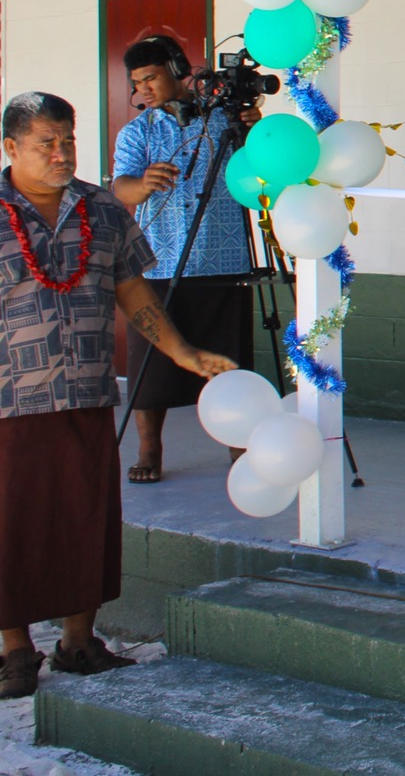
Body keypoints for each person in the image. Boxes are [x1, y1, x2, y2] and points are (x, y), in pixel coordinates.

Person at [0, 92, 237, 700]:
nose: (62, 153)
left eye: (68, 141)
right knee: (12, 523)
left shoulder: (102, 209)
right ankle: (15, 650)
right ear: (11, 148)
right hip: (9, 401)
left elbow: (134, 291)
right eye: (46, 143)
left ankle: (79, 642)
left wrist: (183, 353)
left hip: (87, 392)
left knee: (86, 517)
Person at [111, 36, 257, 484]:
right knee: (150, 367)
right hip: (160, 262)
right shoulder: (138, 132)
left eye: (150, 78)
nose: (143, 90)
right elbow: (120, 187)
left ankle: (239, 444)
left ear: (177, 69)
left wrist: (252, 130)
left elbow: (257, 171)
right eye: (137, 83)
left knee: (229, 362)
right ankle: (150, 449)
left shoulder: (224, 120)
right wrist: (143, 184)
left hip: (224, 261)